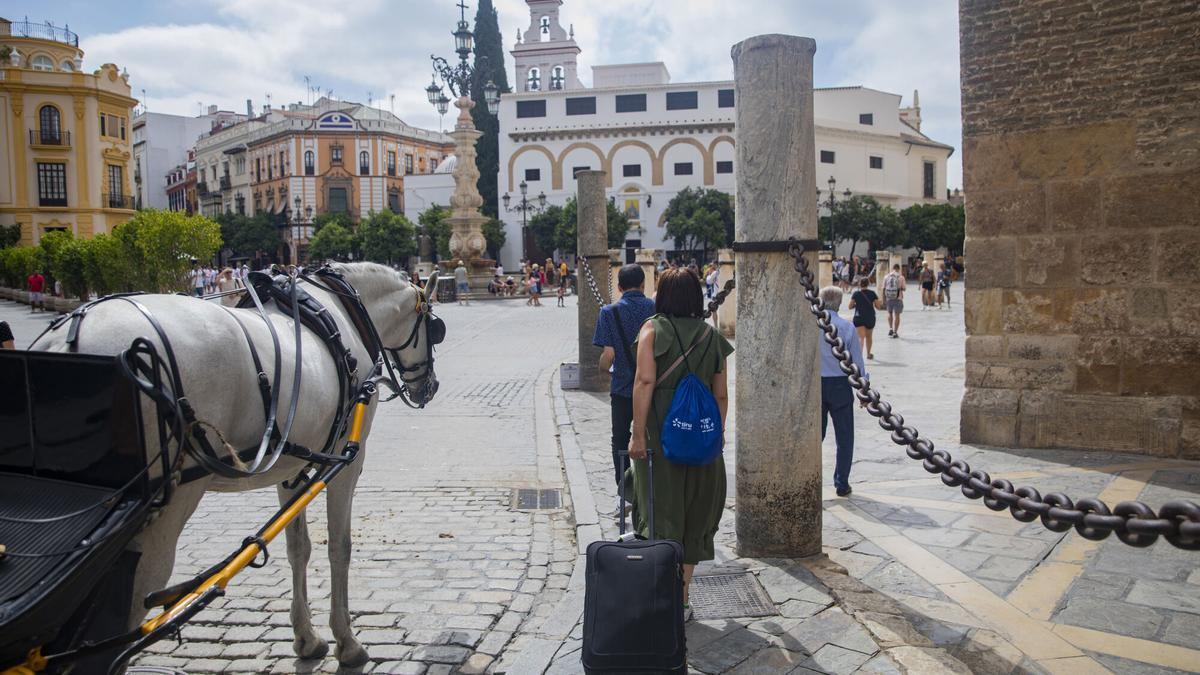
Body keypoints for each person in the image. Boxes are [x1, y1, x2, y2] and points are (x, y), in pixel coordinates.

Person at [628, 267, 733, 619]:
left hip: (659, 440)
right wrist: (714, 436)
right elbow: (721, 396)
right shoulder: (710, 335)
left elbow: (644, 382)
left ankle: (662, 595)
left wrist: (638, 434)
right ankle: (683, 596)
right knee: (694, 518)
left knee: (660, 512)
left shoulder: (652, 330)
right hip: (702, 441)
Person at [595, 265, 659, 518]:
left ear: (619, 287)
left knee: (620, 441)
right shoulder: (655, 309)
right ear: (644, 285)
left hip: (622, 389)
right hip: (651, 388)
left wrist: (604, 368)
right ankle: (650, 492)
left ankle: (625, 493)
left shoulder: (608, 312)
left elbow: (608, 356)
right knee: (650, 439)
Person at [819, 286, 867, 497]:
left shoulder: (813, 325)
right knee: (845, 436)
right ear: (839, 303)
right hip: (840, 385)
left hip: (816, 386)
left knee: (814, 437)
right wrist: (863, 390)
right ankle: (841, 482)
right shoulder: (847, 328)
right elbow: (857, 362)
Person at [848, 277, 881, 360]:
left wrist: (858, 305)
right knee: (869, 337)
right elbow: (878, 307)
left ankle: (859, 356)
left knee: (860, 337)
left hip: (859, 317)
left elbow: (850, 306)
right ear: (868, 284)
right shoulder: (872, 293)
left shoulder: (856, 294)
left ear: (860, 284)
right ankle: (868, 354)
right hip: (869, 317)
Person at [883, 264, 906, 339]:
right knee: (897, 315)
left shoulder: (886, 277)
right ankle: (895, 332)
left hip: (889, 298)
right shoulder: (901, 277)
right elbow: (904, 288)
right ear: (899, 269)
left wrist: (883, 299)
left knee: (889, 313)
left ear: (892, 268)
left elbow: (884, 288)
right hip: (898, 298)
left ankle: (890, 329)